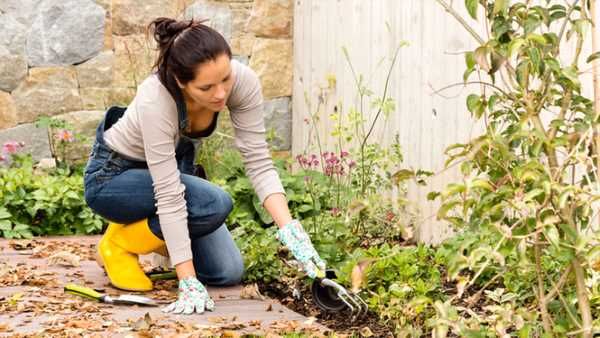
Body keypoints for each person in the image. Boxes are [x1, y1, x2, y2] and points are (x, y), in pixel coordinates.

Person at [83, 17, 326, 315]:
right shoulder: (156, 98)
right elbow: (170, 194)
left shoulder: (242, 82)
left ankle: (141, 234)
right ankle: (119, 243)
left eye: (225, 78)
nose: (221, 93)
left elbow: (259, 162)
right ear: (180, 81)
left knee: (226, 272)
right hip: (113, 179)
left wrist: (291, 230)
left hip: (170, 176)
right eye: (207, 87)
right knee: (213, 202)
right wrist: (187, 281)